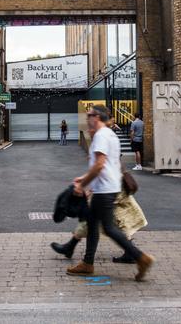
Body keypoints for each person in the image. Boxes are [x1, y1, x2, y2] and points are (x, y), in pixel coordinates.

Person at [66, 104, 154, 281]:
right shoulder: (110, 135)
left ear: (97, 117)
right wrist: (83, 177)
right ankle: (88, 263)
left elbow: (99, 165)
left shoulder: (101, 135)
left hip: (104, 190)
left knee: (109, 228)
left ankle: (140, 258)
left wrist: (82, 184)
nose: (87, 117)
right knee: (93, 225)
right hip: (109, 187)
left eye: (89, 114)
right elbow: (106, 164)